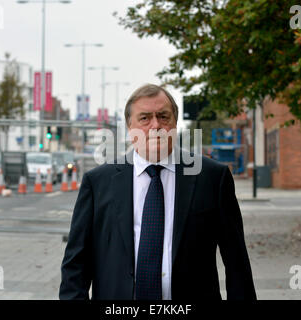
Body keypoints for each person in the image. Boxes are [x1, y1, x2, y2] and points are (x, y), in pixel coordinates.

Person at [59, 84, 257, 300]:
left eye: (163, 116)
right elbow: (76, 264)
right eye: (145, 118)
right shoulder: (98, 182)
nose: (156, 125)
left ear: (174, 123)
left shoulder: (212, 178)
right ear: (129, 126)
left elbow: (236, 260)